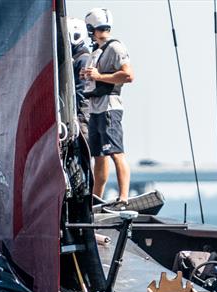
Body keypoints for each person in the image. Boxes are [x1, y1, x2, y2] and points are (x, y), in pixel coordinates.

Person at [81, 8, 134, 210]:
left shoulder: (115, 47)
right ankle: (97, 197)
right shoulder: (96, 50)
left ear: (90, 28)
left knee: (116, 152)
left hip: (109, 106)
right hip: (94, 107)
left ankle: (123, 197)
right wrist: (88, 77)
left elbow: (128, 75)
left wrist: (98, 77)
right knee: (98, 156)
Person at [68, 17, 92, 141]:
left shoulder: (82, 59)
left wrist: (78, 115)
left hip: (82, 112)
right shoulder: (76, 59)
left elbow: (82, 91)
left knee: (83, 144)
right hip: (78, 111)